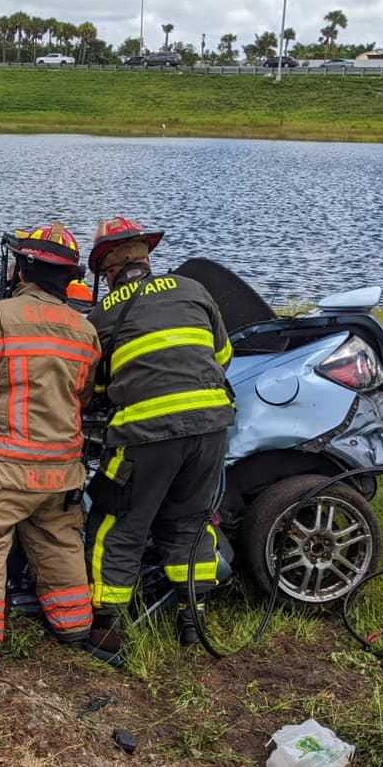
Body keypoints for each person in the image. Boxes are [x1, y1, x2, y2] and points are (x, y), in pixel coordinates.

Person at [0, 223, 102, 672]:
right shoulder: (84, 331)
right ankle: (74, 629)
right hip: (62, 469)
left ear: (21, 268)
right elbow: (82, 396)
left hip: (7, 466)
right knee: (58, 542)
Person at [84, 216, 235, 650]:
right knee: (190, 521)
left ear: (109, 271)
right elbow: (222, 356)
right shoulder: (193, 289)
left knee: (118, 523)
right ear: (147, 258)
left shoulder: (104, 313)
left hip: (145, 435)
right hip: (210, 428)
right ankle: (193, 623)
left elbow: (94, 388)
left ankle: (107, 629)